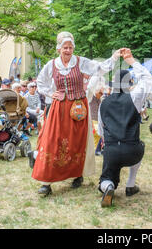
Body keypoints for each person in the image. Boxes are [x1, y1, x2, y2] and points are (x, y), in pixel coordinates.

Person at [31, 31, 122, 196]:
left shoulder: (80, 62)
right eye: (65, 47)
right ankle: (46, 182)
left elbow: (100, 68)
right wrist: (51, 94)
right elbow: (40, 82)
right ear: (59, 48)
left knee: (76, 141)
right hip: (59, 108)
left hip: (78, 108)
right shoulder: (51, 65)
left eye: (70, 47)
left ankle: (77, 175)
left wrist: (114, 57)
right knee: (52, 140)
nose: (68, 50)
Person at [97, 48, 152, 207]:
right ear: (130, 83)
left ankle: (108, 187)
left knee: (106, 178)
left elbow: (101, 129)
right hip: (133, 150)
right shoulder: (135, 97)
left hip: (112, 150)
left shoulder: (104, 102)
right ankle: (130, 184)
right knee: (140, 145)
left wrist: (107, 144)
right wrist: (131, 61)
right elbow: (147, 78)